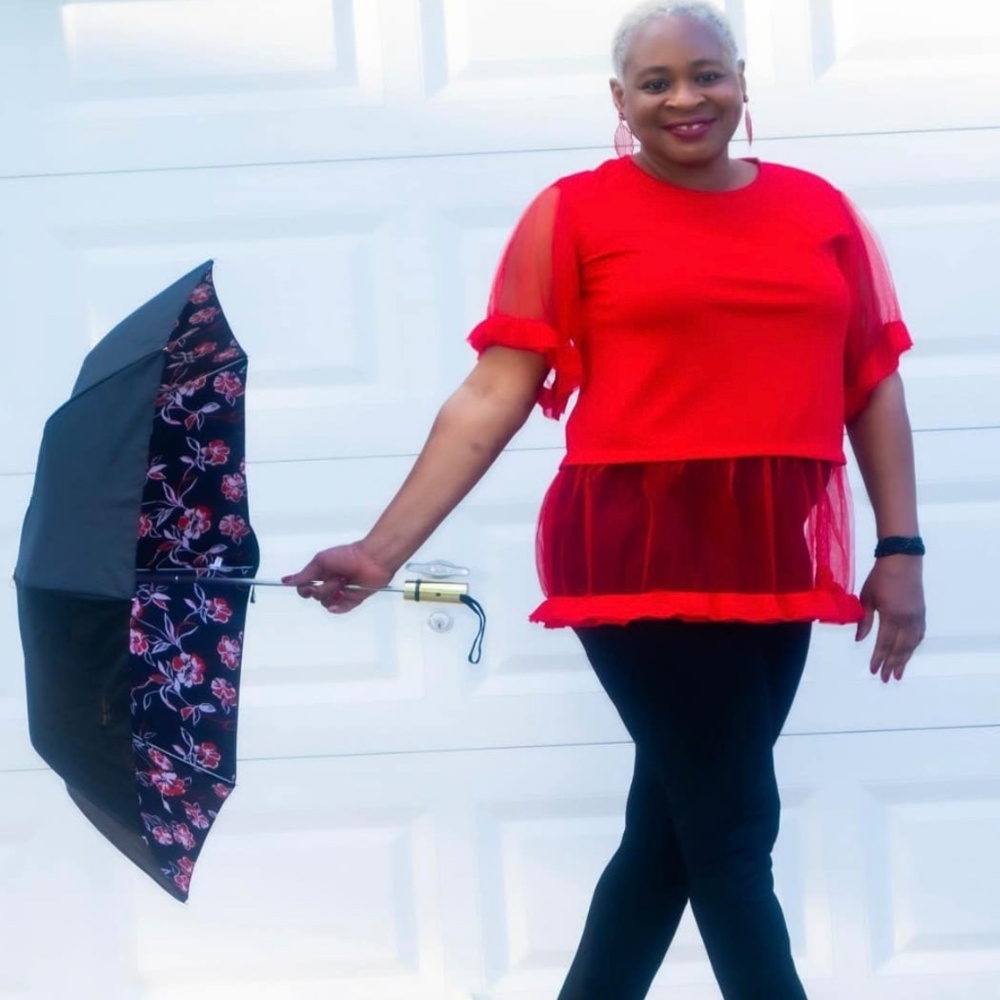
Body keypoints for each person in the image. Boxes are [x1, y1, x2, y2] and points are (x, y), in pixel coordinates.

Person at [284, 2, 927, 996]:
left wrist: (900, 548)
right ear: (618, 99)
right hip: (634, 546)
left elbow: (871, 386)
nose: (685, 97)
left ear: (743, 81)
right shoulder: (575, 212)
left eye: (706, 74)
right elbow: (491, 396)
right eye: (656, 81)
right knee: (733, 828)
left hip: (773, 548)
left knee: (671, 832)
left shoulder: (818, 210)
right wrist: (382, 550)